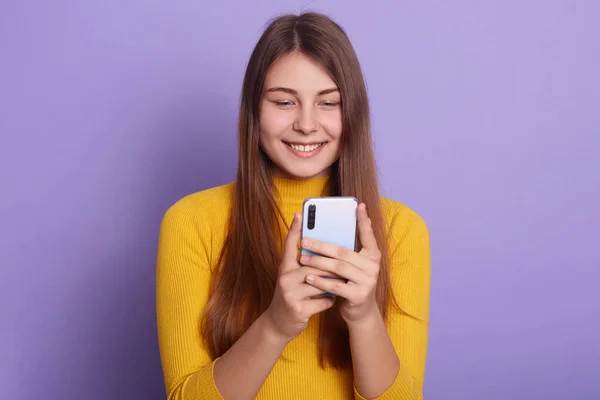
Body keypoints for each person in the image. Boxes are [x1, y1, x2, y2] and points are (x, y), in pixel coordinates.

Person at [156, 12, 430, 400]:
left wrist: (364, 315)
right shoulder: (191, 222)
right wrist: (276, 324)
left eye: (328, 103)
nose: (306, 124)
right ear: (254, 111)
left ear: (352, 112)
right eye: (284, 101)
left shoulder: (401, 230)